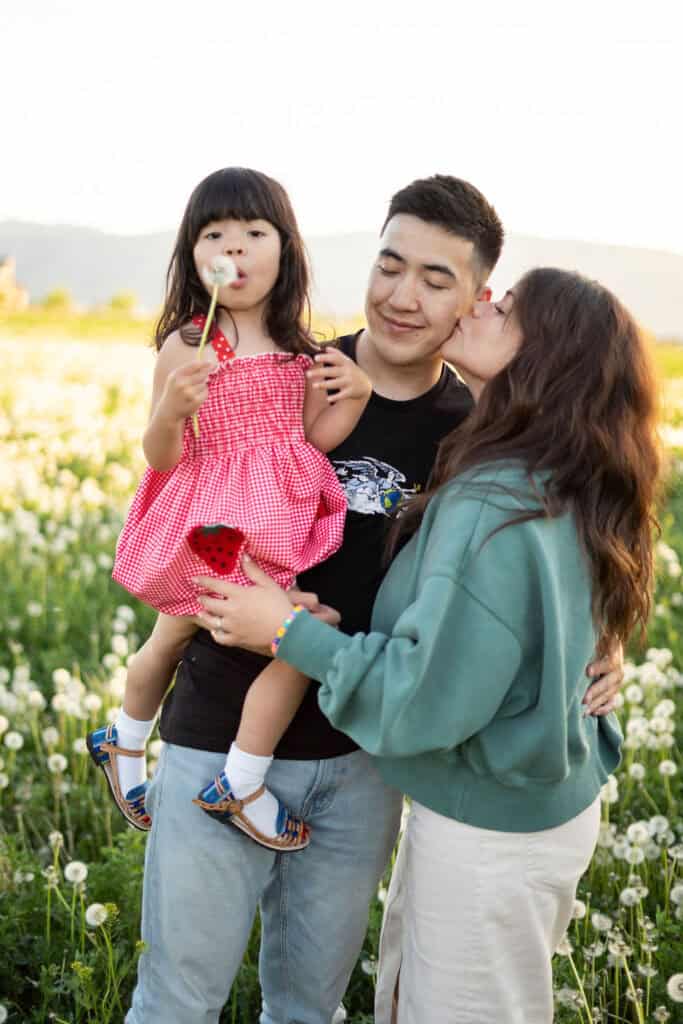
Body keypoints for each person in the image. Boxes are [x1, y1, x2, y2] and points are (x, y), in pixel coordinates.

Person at [125, 175, 624, 1024]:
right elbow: (181, 506)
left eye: (436, 279)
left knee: (307, 1009)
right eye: (389, 265)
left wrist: (600, 641)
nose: (402, 296)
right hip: (221, 730)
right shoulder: (285, 372)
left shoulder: (476, 430)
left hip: (363, 763)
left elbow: (544, 548)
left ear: (475, 300)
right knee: (175, 1002)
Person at [87, 166, 373, 850]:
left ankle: (122, 740)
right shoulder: (188, 344)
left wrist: (355, 397)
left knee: (180, 631)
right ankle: (234, 777)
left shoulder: (301, 350)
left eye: (253, 232)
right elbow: (160, 455)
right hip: (212, 523)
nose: (235, 249)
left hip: (274, 521)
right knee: (298, 636)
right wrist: (169, 410)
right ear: (194, 254)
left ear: (286, 248)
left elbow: (307, 439)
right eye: (216, 235)